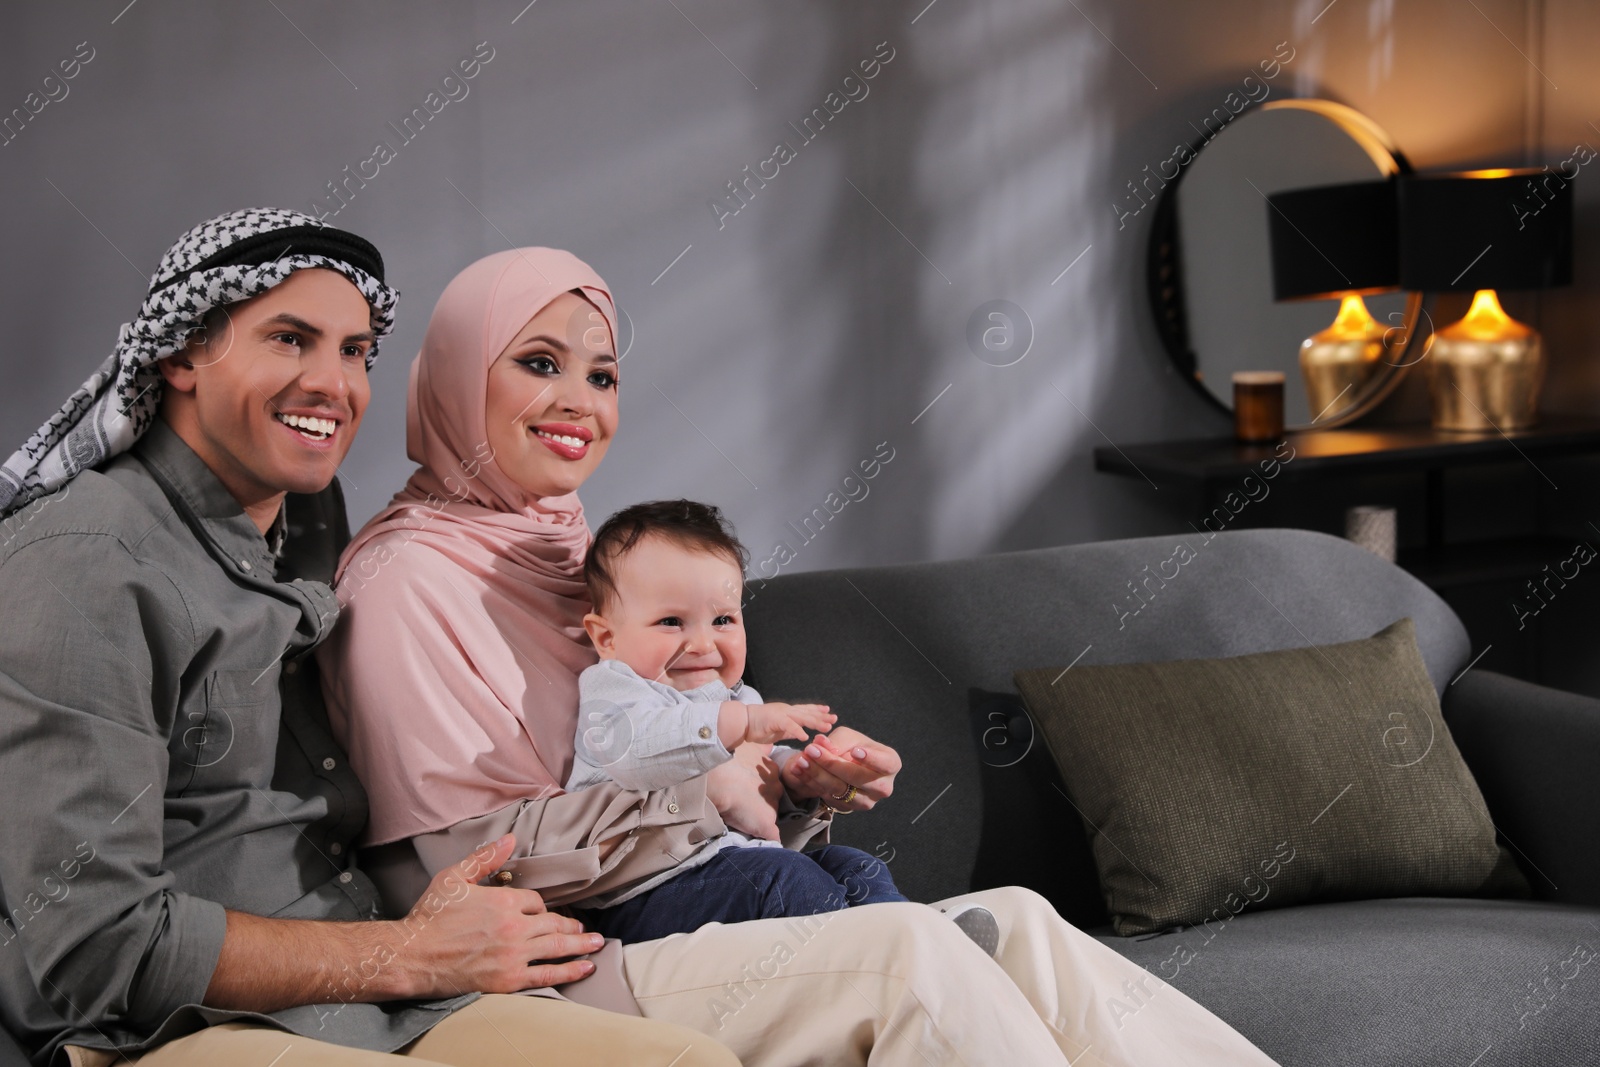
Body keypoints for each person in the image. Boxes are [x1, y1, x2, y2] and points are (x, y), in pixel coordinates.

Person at [321, 245, 1284, 1066]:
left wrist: (792, 787)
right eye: (538, 362)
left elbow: (660, 771)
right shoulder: (406, 580)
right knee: (908, 949)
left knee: (1023, 915)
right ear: (455, 375)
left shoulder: (587, 555)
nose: (580, 400)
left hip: (672, 908)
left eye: (603, 374)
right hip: (567, 960)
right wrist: (712, 790)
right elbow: (463, 871)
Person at [0, 210, 738, 1067]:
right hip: (172, 1030)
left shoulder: (305, 522)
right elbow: (98, 948)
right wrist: (409, 953)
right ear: (180, 354)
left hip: (364, 989)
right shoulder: (84, 563)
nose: (333, 383)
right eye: (290, 339)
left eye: (354, 352)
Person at [562, 497, 1007, 948]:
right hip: (642, 893)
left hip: (738, 868)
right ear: (607, 637)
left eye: (722, 619)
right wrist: (742, 722)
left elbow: (761, 772)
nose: (702, 642)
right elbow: (638, 753)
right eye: (671, 621)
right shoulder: (615, 690)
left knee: (854, 864)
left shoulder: (737, 697)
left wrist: (799, 774)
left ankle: (925, 943)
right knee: (787, 877)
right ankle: (882, 955)